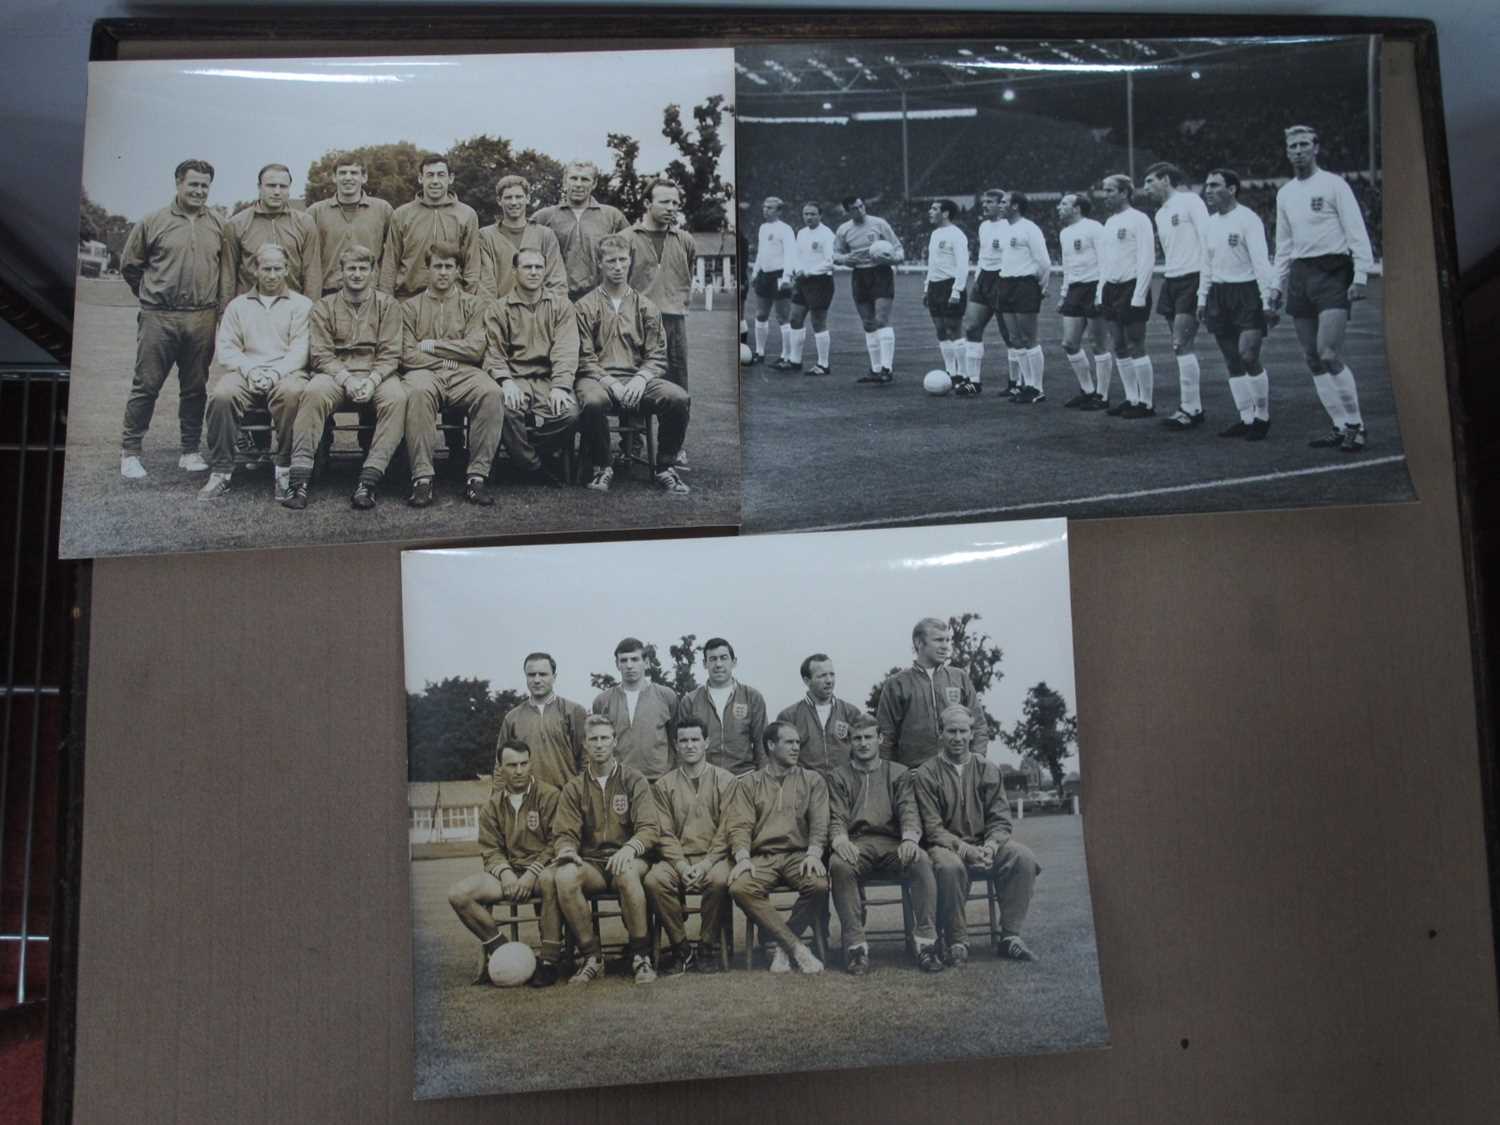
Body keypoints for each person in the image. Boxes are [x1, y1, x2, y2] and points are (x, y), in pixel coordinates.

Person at [1268, 125, 1376, 453]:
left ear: (1316, 148)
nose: (1298, 150)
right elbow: (1283, 244)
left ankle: (1357, 426)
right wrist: (1276, 286)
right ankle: (1339, 425)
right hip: (1301, 274)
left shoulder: (1334, 185)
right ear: (1287, 152)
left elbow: (1356, 231)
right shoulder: (1285, 193)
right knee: (1312, 359)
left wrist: (1360, 276)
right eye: (1292, 146)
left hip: (1332, 271)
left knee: (1329, 353)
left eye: (1304, 144)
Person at [118, 157, 225, 481]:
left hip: (202, 316)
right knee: (146, 385)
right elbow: (130, 265)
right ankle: (130, 451)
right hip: (159, 316)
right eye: (193, 184)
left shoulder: (219, 223)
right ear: (178, 183)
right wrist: (153, 296)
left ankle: (190, 451)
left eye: (204, 185)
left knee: (195, 388)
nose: (199, 191)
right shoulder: (154, 221)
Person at [912, 706, 1041, 966]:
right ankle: (958, 940)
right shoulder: (926, 773)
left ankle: (1010, 937)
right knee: (948, 867)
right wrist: (964, 849)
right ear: (941, 733)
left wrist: (991, 846)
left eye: (963, 731)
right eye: (951, 731)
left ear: (972, 734)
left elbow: (1000, 819)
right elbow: (932, 827)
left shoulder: (987, 769)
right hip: (946, 845)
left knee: (1023, 857)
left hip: (985, 843)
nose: (957, 738)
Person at [282, 243, 405, 511]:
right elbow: (321, 354)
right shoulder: (324, 307)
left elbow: (392, 352)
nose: (357, 274)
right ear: (341, 272)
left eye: (363, 268)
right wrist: (347, 379)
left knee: (396, 398)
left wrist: (372, 380)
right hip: (336, 373)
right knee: (313, 393)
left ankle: (369, 480)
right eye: (351, 268)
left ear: (373, 272)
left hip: (377, 373)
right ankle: (299, 480)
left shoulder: (388, 305)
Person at [573, 235, 692, 495]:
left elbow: (657, 355)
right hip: (597, 380)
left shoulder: (647, 306)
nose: (617, 266)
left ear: (630, 262)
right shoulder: (583, 306)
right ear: (600, 263)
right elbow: (583, 357)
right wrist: (610, 382)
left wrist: (640, 379)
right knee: (592, 402)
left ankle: (665, 466)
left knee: (678, 398)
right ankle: (603, 465)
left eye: (622, 260)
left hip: (638, 379)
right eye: (611, 261)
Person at [445, 740, 566, 987]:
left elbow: (557, 841)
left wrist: (531, 873)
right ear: (500, 768)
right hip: (508, 876)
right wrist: (508, 875)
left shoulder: (549, 795)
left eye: (524, 763)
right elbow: (490, 849)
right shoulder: (492, 805)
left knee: (551, 879)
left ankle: (550, 962)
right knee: (458, 894)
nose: (519, 770)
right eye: (512, 765)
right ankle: (505, 952)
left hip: (541, 873)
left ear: (531, 763)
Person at [827, 714, 942, 975]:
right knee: (839, 864)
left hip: (893, 843)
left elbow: (908, 809)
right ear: (850, 742)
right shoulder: (838, 776)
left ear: (879, 739)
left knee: (921, 860)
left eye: (869, 737)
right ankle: (856, 947)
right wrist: (840, 838)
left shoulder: (898, 772)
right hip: (858, 843)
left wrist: (910, 838)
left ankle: (926, 943)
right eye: (857, 738)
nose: (863, 743)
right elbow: (836, 815)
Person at [551, 715, 660, 985]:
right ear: (585, 745)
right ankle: (592, 957)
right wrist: (566, 849)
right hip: (593, 863)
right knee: (564, 876)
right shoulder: (574, 787)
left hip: (631, 859)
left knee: (626, 873)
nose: (599, 744)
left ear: (615, 742)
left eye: (604, 738)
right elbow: (564, 832)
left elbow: (649, 828)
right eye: (593, 739)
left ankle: (640, 956)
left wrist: (630, 849)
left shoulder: (634, 779)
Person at [199, 243, 311, 501]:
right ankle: (221, 472)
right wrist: (251, 370)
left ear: (286, 270)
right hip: (246, 371)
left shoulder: (301, 305)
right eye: (266, 268)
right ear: (255, 270)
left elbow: (300, 350)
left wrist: (273, 373)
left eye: (277, 268)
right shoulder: (238, 306)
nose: (272, 275)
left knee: (293, 393)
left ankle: (284, 470)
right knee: (222, 395)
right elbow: (227, 349)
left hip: (286, 372)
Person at [399, 242, 502, 507]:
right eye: (437, 267)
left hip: (464, 374)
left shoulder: (474, 304)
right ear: (427, 270)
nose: (443, 273)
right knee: (418, 393)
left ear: (458, 271)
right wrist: (445, 361)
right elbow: (406, 353)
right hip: (423, 372)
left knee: (491, 392)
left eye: (449, 267)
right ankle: (422, 478)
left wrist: (433, 345)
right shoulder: (410, 307)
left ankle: (477, 477)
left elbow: (475, 348)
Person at [725, 721, 829, 974]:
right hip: (762, 857)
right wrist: (742, 857)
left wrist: (815, 853)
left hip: (799, 855)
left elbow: (820, 821)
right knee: (740, 887)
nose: (796, 748)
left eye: (797, 743)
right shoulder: (749, 783)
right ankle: (796, 948)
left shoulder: (812, 779)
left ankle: (782, 946)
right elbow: (739, 826)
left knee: (818, 885)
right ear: (771, 745)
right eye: (789, 742)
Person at [642, 718, 736, 974]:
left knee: (718, 881)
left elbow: (728, 829)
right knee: (654, 880)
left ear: (707, 742)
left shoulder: (726, 780)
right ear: (676, 745)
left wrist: (706, 864)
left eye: (695, 740)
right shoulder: (663, 785)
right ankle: (681, 948)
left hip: (714, 859)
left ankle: (707, 947)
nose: (690, 745)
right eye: (683, 741)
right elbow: (664, 832)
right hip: (677, 859)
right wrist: (682, 866)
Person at [480, 246, 579, 488]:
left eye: (539, 267)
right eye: (527, 267)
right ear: (514, 271)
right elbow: (493, 351)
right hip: (515, 378)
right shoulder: (499, 308)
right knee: (504, 407)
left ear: (545, 271)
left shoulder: (561, 306)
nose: (534, 272)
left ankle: (526, 455)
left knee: (570, 414)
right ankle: (533, 467)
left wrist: (561, 386)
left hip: (548, 379)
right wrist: (505, 382)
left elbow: (566, 348)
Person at [1199, 168, 1278, 441]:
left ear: (1231, 189)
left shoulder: (1248, 219)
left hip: (1246, 294)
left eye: (1214, 185)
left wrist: (1267, 299)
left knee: (1248, 356)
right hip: (1218, 295)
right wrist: (1202, 297)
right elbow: (1206, 265)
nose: (1207, 190)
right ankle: (1245, 417)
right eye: (1206, 185)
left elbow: (1261, 261)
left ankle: (1263, 417)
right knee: (1232, 360)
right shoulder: (1209, 224)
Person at [1143, 162, 1212, 429]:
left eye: (1150, 181)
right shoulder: (1160, 214)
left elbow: (1207, 237)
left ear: (1166, 180)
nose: (1146, 188)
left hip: (1192, 277)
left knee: (1181, 343)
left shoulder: (1190, 201)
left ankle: (1191, 409)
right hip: (1171, 279)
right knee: (1180, 345)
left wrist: (1206, 281)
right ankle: (1192, 407)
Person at [875, 617, 989, 769]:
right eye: (938, 640)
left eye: (947, 640)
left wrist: (975, 765)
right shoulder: (897, 684)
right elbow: (886, 737)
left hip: (957, 773)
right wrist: (895, 776)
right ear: (919, 642)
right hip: (914, 776)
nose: (945, 646)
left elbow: (979, 726)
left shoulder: (960, 677)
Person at [627, 177, 698, 395]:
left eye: (675, 204)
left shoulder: (685, 240)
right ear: (647, 204)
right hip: (636, 325)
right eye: (665, 202)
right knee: (634, 393)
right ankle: (637, 430)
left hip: (674, 325)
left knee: (678, 394)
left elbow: (686, 275)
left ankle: (673, 432)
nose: (671, 208)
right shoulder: (625, 238)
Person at [1095, 174, 1158, 418]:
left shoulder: (1139, 219)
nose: (1106, 195)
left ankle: (1147, 402)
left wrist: (1140, 294)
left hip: (1132, 287)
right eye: (1105, 190)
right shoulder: (1109, 223)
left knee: (1135, 344)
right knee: (1119, 345)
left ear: (1124, 192)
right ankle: (1132, 398)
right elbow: (1105, 262)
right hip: (1111, 288)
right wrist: (1101, 290)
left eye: (1110, 190)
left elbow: (1146, 259)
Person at [220, 163, 322, 307]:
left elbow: (312, 273)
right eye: (271, 186)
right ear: (259, 187)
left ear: (289, 189)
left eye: (283, 186)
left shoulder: (305, 223)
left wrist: (312, 312)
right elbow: (228, 275)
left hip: (292, 307)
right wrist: (225, 313)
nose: (277, 192)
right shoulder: (237, 224)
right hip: (250, 308)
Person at [381, 154, 480, 299]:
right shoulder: (402, 214)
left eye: (440, 175)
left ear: (450, 178)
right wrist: (387, 302)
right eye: (430, 175)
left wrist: (468, 301)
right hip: (408, 299)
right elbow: (390, 263)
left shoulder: (467, 214)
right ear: (421, 178)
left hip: (451, 301)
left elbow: (472, 264)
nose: (435, 181)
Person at [531, 159, 629, 302]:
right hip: (556, 298)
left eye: (584, 179)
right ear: (565, 182)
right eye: (573, 178)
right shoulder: (544, 216)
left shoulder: (612, 216)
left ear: (594, 183)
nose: (578, 184)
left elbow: (629, 254)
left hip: (601, 298)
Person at [833, 196, 904, 384]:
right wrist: (845, 259)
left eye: (862, 206)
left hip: (881, 274)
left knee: (881, 320)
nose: (860, 210)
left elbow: (899, 250)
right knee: (868, 323)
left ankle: (887, 369)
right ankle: (875, 369)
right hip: (859, 275)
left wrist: (891, 260)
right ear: (848, 211)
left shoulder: (879, 224)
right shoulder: (844, 230)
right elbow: (835, 254)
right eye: (855, 208)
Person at [494, 651, 588, 790]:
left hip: (566, 799)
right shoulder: (512, 718)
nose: (537, 680)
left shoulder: (574, 711)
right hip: (527, 800)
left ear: (554, 677)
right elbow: (500, 765)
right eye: (532, 675)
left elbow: (586, 759)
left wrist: (579, 794)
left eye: (543, 674)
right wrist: (498, 802)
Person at [675, 637, 767, 776]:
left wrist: (763, 780)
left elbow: (761, 743)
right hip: (705, 779)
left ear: (733, 662)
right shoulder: (690, 700)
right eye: (712, 659)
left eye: (723, 658)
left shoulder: (752, 697)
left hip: (744, 777)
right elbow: (682, 747)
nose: (718, 664)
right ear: (705, 664)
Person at [590, 637, 679, 781]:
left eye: (635, 659)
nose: (629, 665)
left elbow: (675, 739)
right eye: (624, 660)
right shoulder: (603, 701)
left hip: (658, 780)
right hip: (618, 780)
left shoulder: (666, 696)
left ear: (646, 663)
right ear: (617, 664)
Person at [1055, 192, 1113, 410]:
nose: (1059, 208)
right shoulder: (1064, 233)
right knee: (1069, 343)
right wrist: (1063, 294)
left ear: (1077, 208)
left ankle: (1103, 396)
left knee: (1097, 344)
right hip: (1074, 290)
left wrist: (1100, 292)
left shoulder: (1094, 228)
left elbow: (1105, 261)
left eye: (1064, 204)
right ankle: (1088, 390)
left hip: (1095, 286)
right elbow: (1068, 266)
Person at [305, 155, 394, 295]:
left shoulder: (383, 210)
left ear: (364, 177)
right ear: (334, 177)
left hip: (371, 292)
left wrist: (386, 292)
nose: (348, 178)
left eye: (354, 173)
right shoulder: (315, 212)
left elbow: (392, 254)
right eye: (342, 173)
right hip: (329, 292)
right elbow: (308, 260)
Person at [994, 192, 1052, 404]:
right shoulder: (1005, 229)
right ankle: (1027, 385)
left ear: (1016, 206)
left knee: (1029, 338)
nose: (1000, 205)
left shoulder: (1030, 228)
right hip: (1005, 283)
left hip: (1025, 284)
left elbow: (1044, 262)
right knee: (1015, 339)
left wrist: (1041, 287)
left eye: (1004, 202)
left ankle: (1037, 388)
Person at [476, 174, 566, 301]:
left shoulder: (545, 235)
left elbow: (556, 281)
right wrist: (494, 315)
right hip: (501, 314)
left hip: (539, 314)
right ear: (499, 200)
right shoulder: (486, 236)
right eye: (508, 197)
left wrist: (549, 313)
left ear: (527, 198)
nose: (514, 202)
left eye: (518, 197)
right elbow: (485, 286)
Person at [957, 189, 1011, 397]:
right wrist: (978, 278)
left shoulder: (1009, 227)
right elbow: (983, 255)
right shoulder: (984, 226)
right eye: (984, 202)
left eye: (990, 202)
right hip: (984, 280)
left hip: (1003, 278)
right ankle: (974, 381)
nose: (985, 205)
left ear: (1001, 205)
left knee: (1010, 335)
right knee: (971, 327)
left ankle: (1017, 381)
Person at [776, 653, 864, 775]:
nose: (829, 680)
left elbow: (862, 753)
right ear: (807, 681)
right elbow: (782, 759)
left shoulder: (851, 712)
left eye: (832, 674)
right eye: (822, 676)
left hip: (844, 787)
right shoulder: (789, 716)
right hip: (806, 788)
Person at [784, 201, 837, 376]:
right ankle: (795, 361)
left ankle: (823, 364)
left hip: (820, 281)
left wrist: (808, 272)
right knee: (794, 318)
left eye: (813, 214)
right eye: (806, 214)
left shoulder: (827, 234)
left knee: (818, 322)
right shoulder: (801, 233)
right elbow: (797, 255)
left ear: (820, 215)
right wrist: (798, 270)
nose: (809, 217)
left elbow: (830, 261)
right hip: (803, 280)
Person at [922, 200, 969, 381]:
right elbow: (932, 264)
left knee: (953, 329)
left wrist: (957, 290)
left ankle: (964, 374)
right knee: (940, 330)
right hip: (935, 286)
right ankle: (951, 372)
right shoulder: (935, 234)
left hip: (950, 285)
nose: (930, 211)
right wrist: (927, 287)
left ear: (946, 213)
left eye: (934, 209)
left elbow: (962, 265)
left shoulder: (957, 235)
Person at [748, 196, 797, 366]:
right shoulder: (762, 228)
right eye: (764, 207)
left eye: (769, 208)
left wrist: (787, 277)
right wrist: (755, 272)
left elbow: (791, 254)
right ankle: (759, 352)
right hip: (764, 275)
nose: (765, 210)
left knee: (783, 317)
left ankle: (786, 355)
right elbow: (761, 252)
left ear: (779, 211)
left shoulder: (786, 229)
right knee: (761, 314)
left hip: (780, 275)